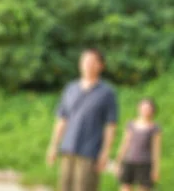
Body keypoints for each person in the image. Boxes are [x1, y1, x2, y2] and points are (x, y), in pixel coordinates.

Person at [46, 49, 119, 191]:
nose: (87, 64)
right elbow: (62, 119)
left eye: (92, 61)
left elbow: (110, 125)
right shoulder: (70, 88)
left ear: (100, 66)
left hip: (90, 152)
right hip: (68, 149)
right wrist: (54, 145)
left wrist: (105, 153)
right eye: (84, 61)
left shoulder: (107, 92)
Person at [116, 98, 162, 191]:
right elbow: (125, 144)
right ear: (139, 109)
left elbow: (156, 150)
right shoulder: (131, 125)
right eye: (143, 108)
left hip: (145, 163)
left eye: (148, 108)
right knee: (125, 187)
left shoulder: (155, 128)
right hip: (129, 161)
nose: (145, 111)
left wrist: (156, 169)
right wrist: (118, 161)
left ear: (152, 111)